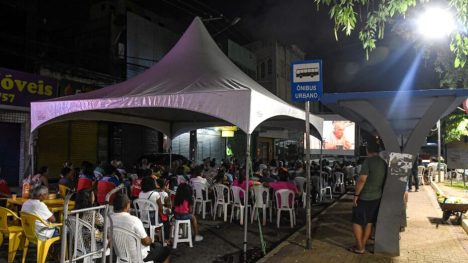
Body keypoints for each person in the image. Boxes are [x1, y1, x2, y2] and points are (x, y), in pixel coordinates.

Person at [350, 141, 387, 254]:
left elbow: (362, 180)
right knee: (369, 222)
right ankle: (362, 244)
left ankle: (360, 247)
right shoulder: (383, 162)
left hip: (364, 197)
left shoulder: (368, 161)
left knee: (356, 221)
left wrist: (356, 195)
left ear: (367, 150)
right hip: (377, 197)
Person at [111, 193, 171, 263]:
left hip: (121, 256)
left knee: (157, 247)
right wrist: (150, 240)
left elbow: (110, 241)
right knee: (165, 250)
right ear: (127, 205)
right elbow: (146, 242)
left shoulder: (109, 219)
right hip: (139, 256)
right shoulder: (134, 220)